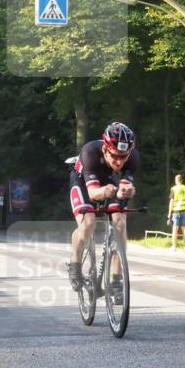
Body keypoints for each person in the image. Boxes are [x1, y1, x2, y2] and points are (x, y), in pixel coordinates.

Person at [67, 122, 139, 298]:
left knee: (120, 223)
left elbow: (126, 187)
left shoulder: (133, 157)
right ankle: (75, 264)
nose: (119, 162)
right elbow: (92, 193)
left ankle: (116, 279)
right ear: (106, 149)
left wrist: (128, 190)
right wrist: (104, 191)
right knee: (88, 224)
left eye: (124, 156)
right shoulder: (90, 152)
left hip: (110, 182)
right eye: (115, 156)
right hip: (83, 183)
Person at [167, 173, 185, 251]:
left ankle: (174, 247)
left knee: (175, 229)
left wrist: (169, 213)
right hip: (184, 211)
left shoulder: (174, 188)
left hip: (176, 211)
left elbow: (171, 201)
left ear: (176, 180)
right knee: (184, 229)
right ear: (182, 180)